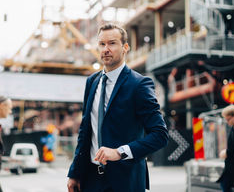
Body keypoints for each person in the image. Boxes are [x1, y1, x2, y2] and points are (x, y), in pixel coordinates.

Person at [67, 23, 169, 192]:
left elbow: (160, 135)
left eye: (112, 43)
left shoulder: (139, 85)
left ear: (125, 47)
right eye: (102, 44)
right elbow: (85, 131)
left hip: (125, 180)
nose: (106, 49)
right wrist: (75, 173)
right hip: (90, 178)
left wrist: (119, 152)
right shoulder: (91, 82)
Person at [217, 105, 234, 192]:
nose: (227, 121)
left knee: (226, 184)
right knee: (226, 184)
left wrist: (226, 153)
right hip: (231, 164)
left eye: (228, 119)